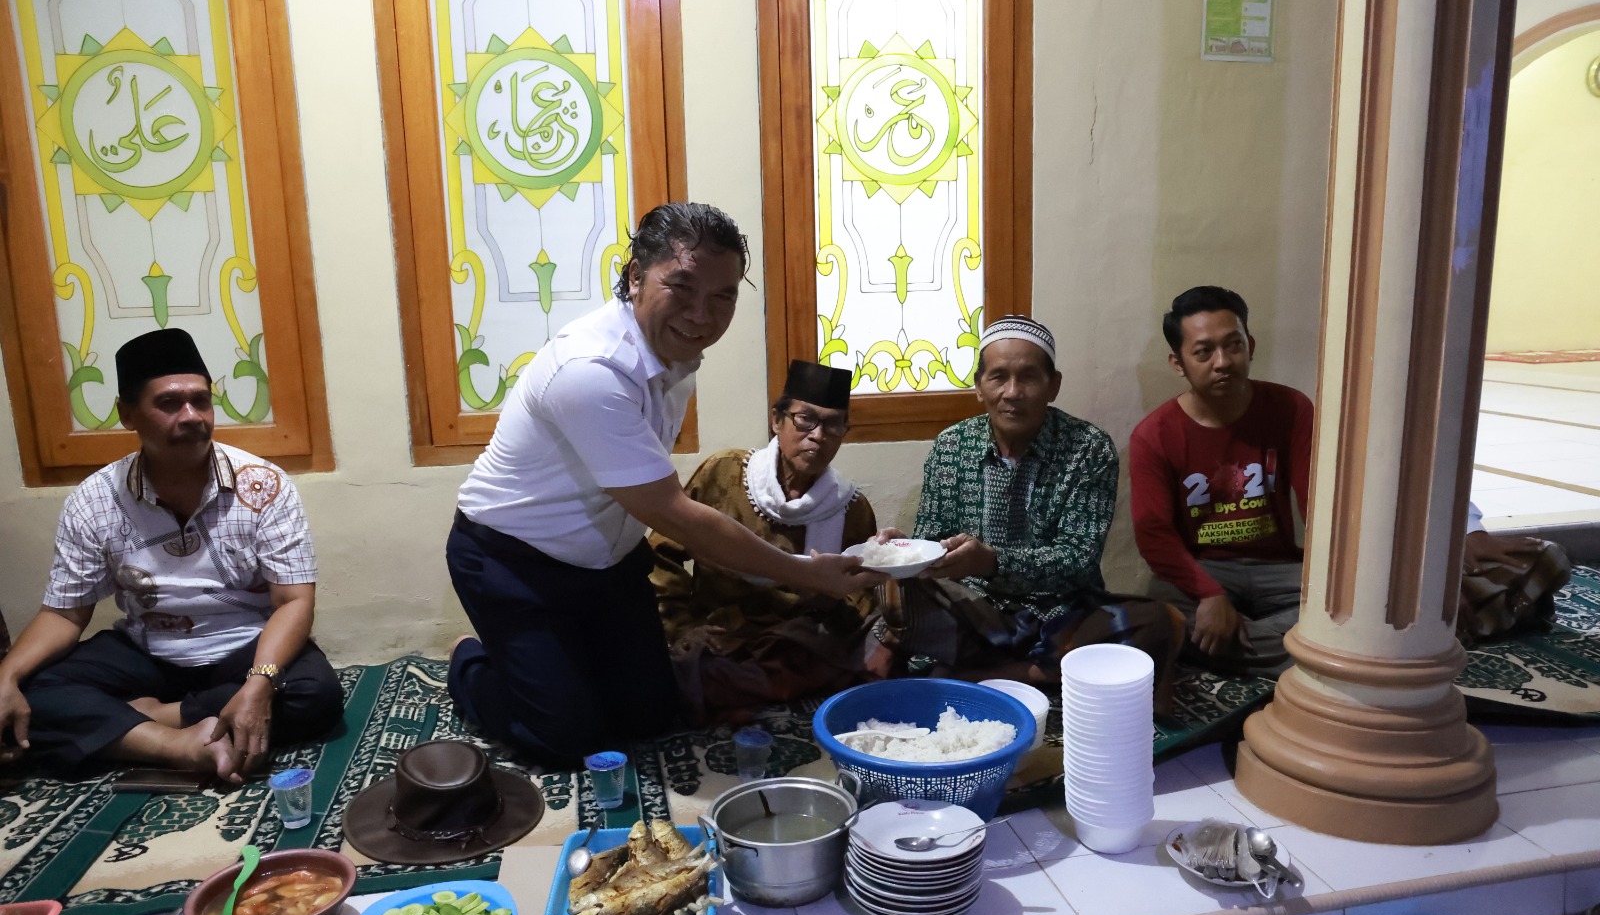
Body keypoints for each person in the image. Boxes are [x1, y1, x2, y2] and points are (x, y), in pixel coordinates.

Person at [447, 203, 883, 764]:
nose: (702, 314)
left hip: (608, 561)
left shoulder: (673, 354)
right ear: (634, 278)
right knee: (566, 740)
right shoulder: (591, 371)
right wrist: (803, 571)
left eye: (723, 295)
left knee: (650, 714)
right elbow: (674, 515)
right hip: (514, 563)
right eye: (681, 286)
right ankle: (471, 661)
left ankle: (561, 664)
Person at [0, 328, 342, 782]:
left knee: (313, 694)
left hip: (242, 647)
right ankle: (179, 744)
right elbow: (64, 615)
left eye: (200, 401)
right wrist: (5, 676)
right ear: (128, 415)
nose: (191, 416)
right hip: (149, 650)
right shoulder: (94, 500)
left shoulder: (263, 485)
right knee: (33, 692)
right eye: (169, 403)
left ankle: (150, 721)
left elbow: (293, 602)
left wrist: (259, 683)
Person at [880, 316, 1184, 711]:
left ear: (1053, 385)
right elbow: (931, 543)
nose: (1012, 392)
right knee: (891, 594)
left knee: (1159, 621)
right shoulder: (951, 446)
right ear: (978, 386)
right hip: (978, 610)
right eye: (998, 377)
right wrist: (899, 551)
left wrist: (993, 561)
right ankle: (1050, 671)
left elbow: (1078, 558)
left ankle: (1018, 674)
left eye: (1028, 377)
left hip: (1065, 612)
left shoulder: (1088, 448)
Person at [650, 360, 881, 725]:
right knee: (682, 669)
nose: (818, 436)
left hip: (798, 642)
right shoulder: (724, 474)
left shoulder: (850, 507)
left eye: (833, 424)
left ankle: (749, 693)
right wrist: (681, 627)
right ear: (777, 420)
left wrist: (872, 569)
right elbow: (660, 555)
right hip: (720, 634)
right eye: (805, 419)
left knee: (878, 645)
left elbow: (859, 599)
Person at [1130, 285, 1314, 678]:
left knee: (1350, 607)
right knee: (1161, 616)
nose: (1223, 362)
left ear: (1250, 345)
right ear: (1178, 363)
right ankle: (1304, 650)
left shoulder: (1291, 409)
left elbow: (1316, 501)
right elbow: (1154, 535)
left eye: (1233, 346)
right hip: (1203, 569)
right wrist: (1209, 593)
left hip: (1278, 567)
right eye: (1203, 352)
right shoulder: (1155, 434)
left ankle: (1238, 647)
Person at [1457, 501, 1571, 645]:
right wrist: (1441, 589)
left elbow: (1444, 492)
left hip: (1450, 565)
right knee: (1435, 611)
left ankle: (1493, 616)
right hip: (1424, 581)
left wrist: (1471, 532)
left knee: (1549, 556)